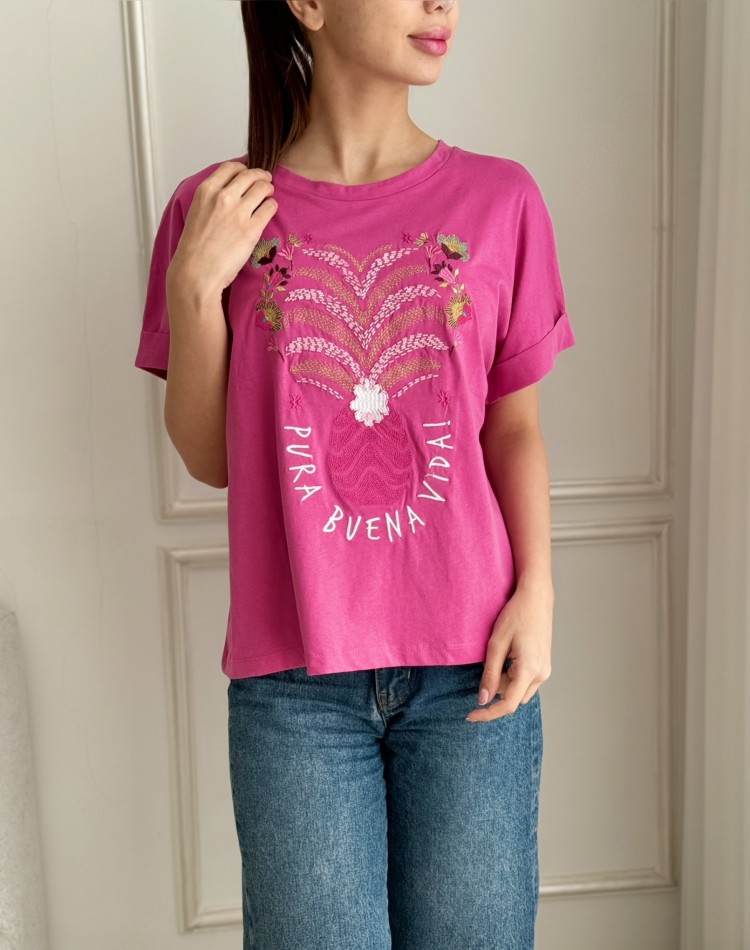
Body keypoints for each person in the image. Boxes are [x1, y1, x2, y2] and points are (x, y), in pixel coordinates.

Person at [134, 1, 576, 947]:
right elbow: (210, 458)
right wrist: (194, 285)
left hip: (473, 671)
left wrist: (537, 592)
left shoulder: (501, 200)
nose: (442, 5)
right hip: (294, 684)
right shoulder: (214, 210)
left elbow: (515, 429)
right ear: (308, 3)